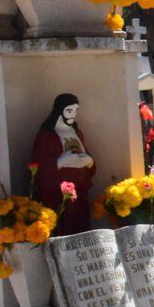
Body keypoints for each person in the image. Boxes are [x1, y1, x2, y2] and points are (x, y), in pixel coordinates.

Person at [31, 93, 96, 235]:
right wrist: (60, 162)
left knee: (80, 230)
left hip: (79, 193)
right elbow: (36, 168)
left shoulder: (76, 132)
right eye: (69, 111)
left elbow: (87, 156)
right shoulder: (46, 136)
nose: (73, 115)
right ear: (59, 110)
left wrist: (89, 162)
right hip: (56, 196)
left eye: (75, 111)